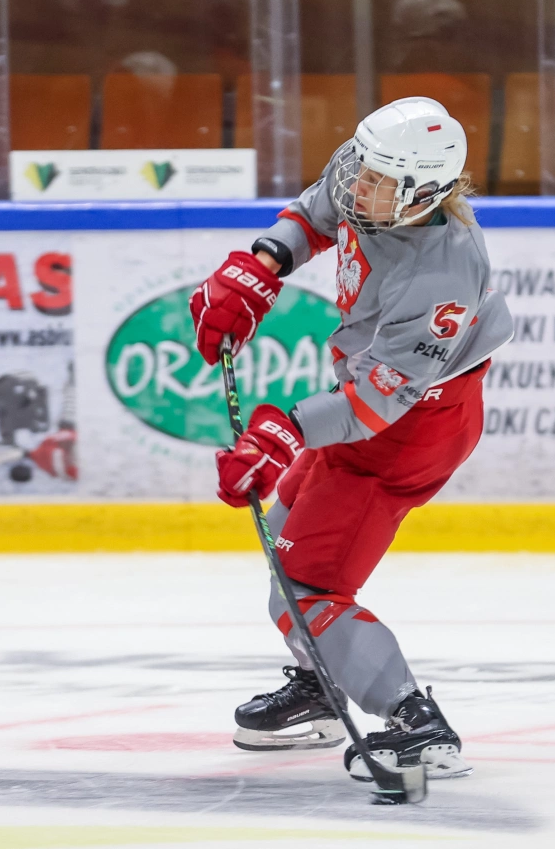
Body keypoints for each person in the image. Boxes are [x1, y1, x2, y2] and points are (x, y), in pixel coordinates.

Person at [189, 97, 513, 782]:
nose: (356, 183)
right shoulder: (375, 177)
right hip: (372, 409)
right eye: (361, 167)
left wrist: (284, 431)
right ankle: (325, 680)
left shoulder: (442, 278)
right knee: (286, 537)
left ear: (422, 193)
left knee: (306, 587)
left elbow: (376, 405)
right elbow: (314, 213)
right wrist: (259, 268)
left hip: (412, 428)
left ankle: (417, 722)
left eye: (376, 180)